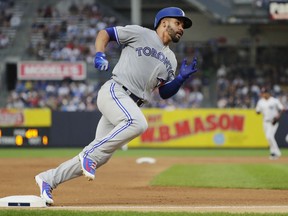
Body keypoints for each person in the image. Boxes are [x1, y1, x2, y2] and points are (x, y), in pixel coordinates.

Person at [35, 7, 198, 205]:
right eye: (178, 23)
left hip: (129, 104)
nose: (182, 28)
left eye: (183, 25)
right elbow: (106, 33)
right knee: (137, 123)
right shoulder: (141, 33)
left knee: (100, 157)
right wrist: (99, 53)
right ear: (164, 22)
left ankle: (48, 179)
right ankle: (89, 154)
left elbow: (164, 92)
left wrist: (180, 79)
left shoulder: (171, 59)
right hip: (115, 91)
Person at [256, 87, 285, 160]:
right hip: (265, 122)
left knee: (269, 136)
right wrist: (258, 111)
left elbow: (282, 109)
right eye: (262, 93)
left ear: (268, 93)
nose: (263, 94)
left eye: (264, 93)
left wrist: (277, 117)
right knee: (268, 137)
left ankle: (277, 152)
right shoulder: (260, 102)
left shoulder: (274, 101)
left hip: (273, 121)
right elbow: (257, 111)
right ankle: (273, 153)